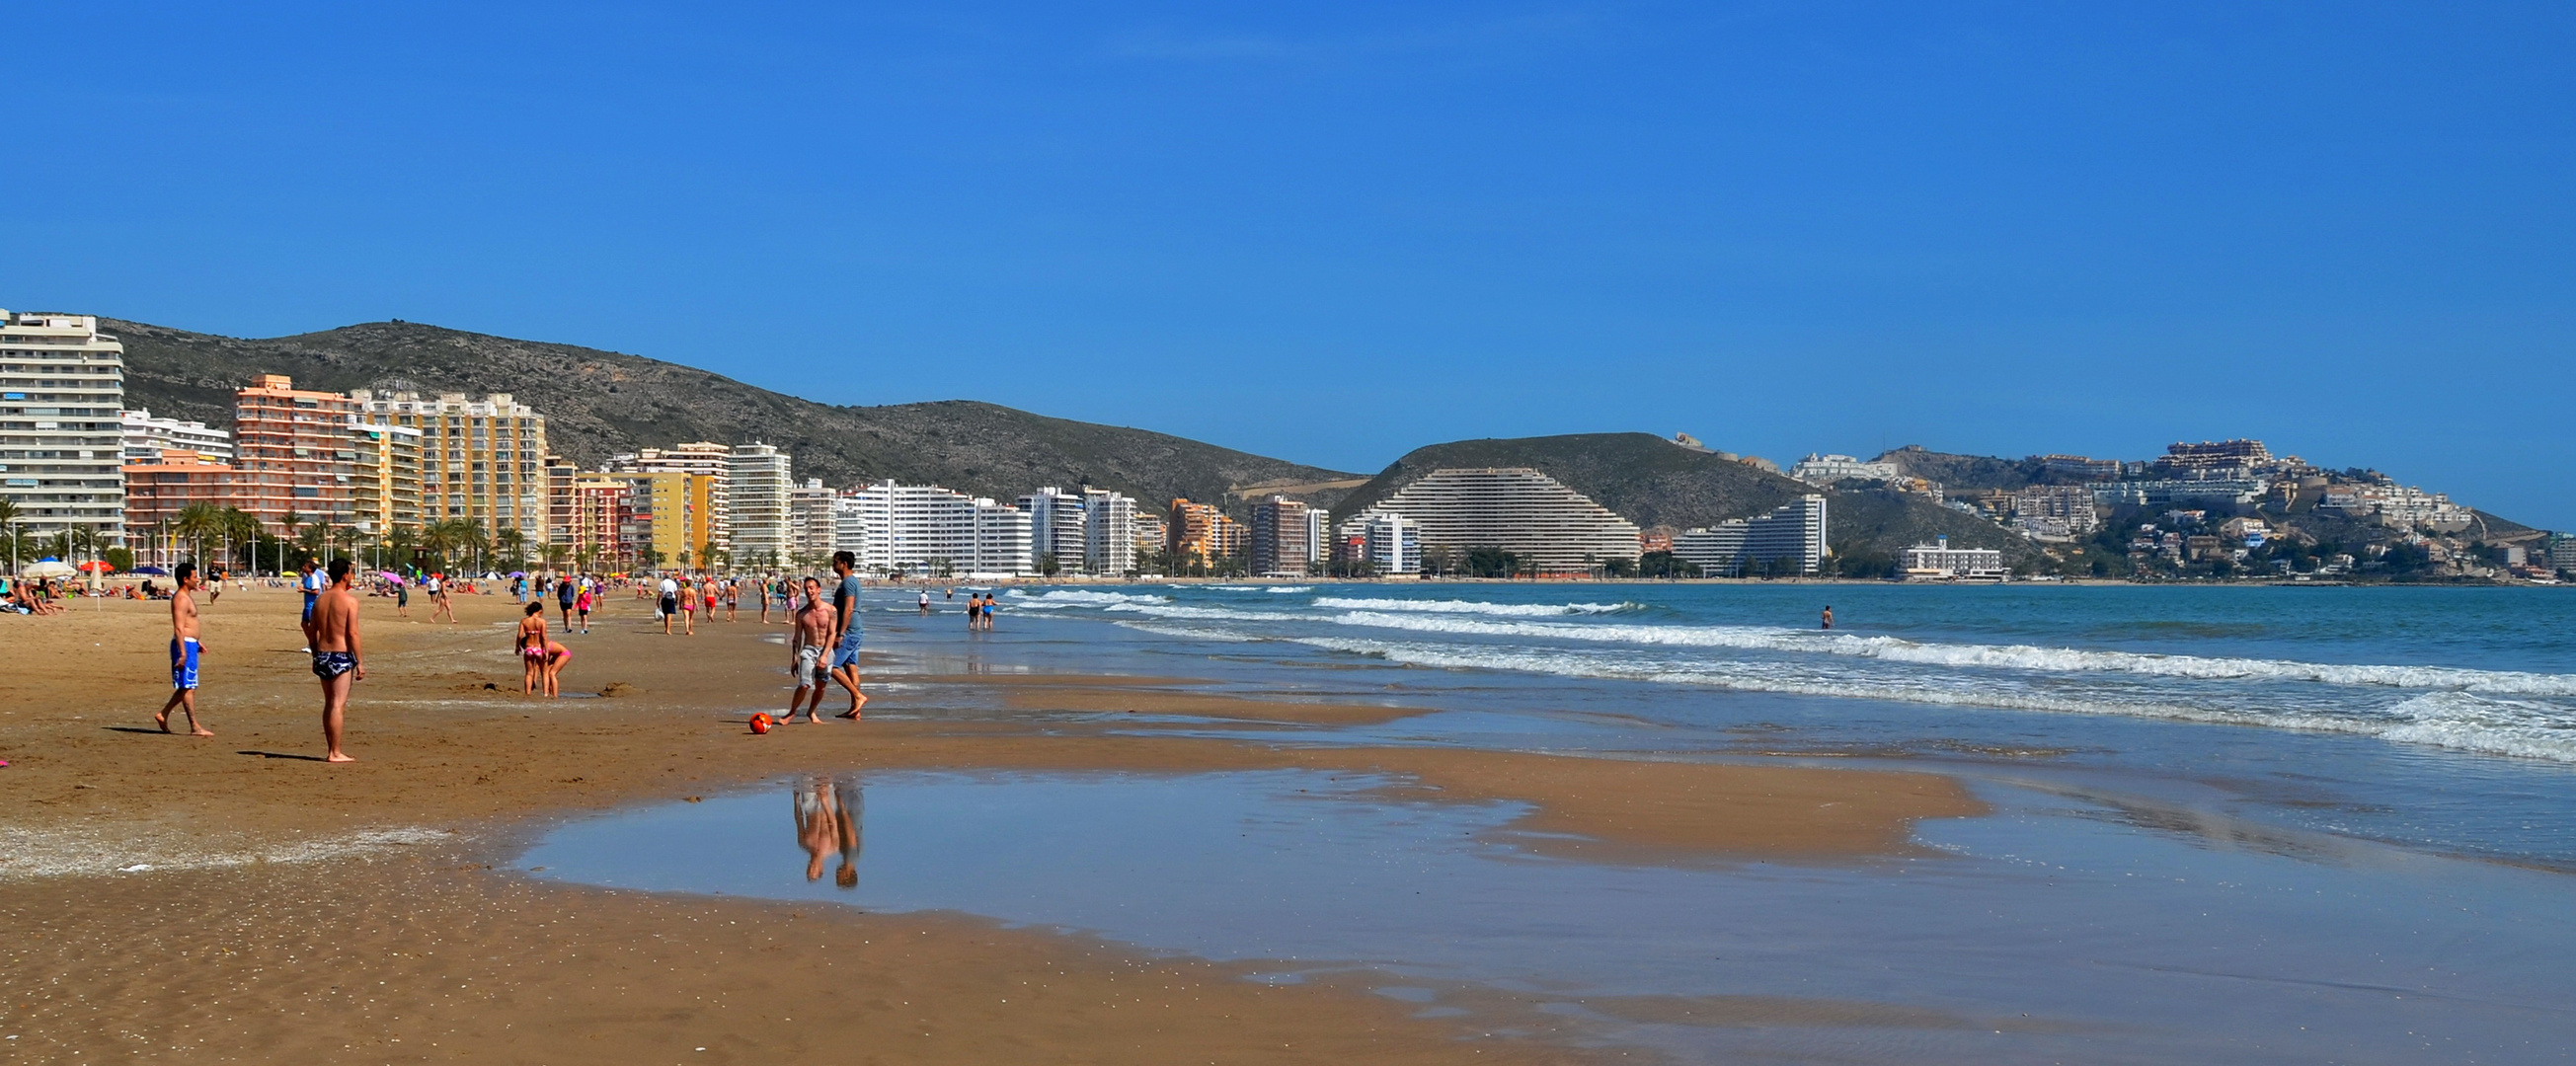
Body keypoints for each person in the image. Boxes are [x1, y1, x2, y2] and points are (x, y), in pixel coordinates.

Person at [309, 558, 364, 763]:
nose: (352, 575)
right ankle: (335, 752)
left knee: (329, 703)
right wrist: (360, 662)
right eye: (351, 572)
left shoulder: (320, 600)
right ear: (345, 575)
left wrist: (315, 655)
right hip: (340, 655)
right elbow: (353, 633)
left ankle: (332, 748)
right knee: (338, 704)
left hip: (323, 654)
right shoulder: (350, 601)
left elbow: (311, 630)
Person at [155, 562, 214, 737]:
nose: (198, 580)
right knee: (188, 686)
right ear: (185, 579)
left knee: (188, 686)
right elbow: (179, 627)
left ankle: (163, 714)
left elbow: (190, 624)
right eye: (195, 577)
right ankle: (194, 726)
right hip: (184, 645)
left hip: (190, 643)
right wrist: (182, 652)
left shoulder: (187, 596)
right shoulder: (180, 598)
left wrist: (198, 641)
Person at [785, 575, 833, 723]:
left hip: (826, 650)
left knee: (821, 686)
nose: (809, 591)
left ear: (819, 590)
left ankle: (811, 712)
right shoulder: (802, 614)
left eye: (812, 588)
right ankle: (791, 712)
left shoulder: (830, 610)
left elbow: (832, 635)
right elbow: (797, 637)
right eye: (806, 589)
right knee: (805, 684)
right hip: (809, 650)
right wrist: (794, 658)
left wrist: (824, 656)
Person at [828, 551, 867, 719]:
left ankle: (858, 697)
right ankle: (855, 710)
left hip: (849, 631)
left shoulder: (848, 583)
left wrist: (840, 633)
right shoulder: (850, 581)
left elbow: (849, 609)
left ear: (844, 563)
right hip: (855, 630)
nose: (833, 565)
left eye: (835, 561)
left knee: (830, 666)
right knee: (851, 668)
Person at [516, 603, 550, 695]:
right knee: (544, 673)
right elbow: (543, 636)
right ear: (539, 610)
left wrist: (517, 646)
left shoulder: (524, 621)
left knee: (529, 673)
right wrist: (546, 650)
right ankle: (546, 693)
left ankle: (528, 693)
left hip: (529, 648)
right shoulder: (542, 621)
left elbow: (519, 635)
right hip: (538, 648)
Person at [296, 559, 323, 650]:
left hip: (312, 606)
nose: (303, 567)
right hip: (307, 605)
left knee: (313, 627)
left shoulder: (314, 578)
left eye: (305, 566)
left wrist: (303, 590)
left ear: (310, 569)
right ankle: (312, 642)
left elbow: (316, 591)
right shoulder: (307, 577)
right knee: (304, 624)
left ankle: (316, 644)